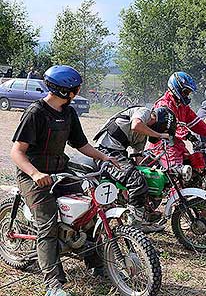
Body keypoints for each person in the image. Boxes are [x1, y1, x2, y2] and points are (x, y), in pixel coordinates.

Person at [10, 65, 118, 296]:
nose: (78, 91)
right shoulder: (35, 113)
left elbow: (81, 144)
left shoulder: (68, 113)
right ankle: (52, 285)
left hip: (60, 170)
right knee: (47, 225)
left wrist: (105, 157)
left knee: (88, 211)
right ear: (63, 90)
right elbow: (17, 152)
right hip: (34, 174)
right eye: (75, 89)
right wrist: (35, 174)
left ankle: (95, 263)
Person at [93, 105, 176, 229]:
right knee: (135, 181)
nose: (163, 134)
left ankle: (142, 216)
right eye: (165, 131)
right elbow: (136, 125)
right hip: (105, 152)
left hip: (118, 153)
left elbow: (138, 158)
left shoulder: (143, 135)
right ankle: (134, 225)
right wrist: (159, 135)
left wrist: (149, 171)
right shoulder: (145, 112)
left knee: (142, 177)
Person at [150, 71, 206, 167]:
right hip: (163, 146)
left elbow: (195, 122)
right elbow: (172, 126)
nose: (187, 95)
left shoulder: (182, 106)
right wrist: (189, 136)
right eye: (186, 92)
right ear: (176, 88)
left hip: (177, 145)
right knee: (177, 175)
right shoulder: (164, 104)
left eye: (188, 93)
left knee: (196, 167)